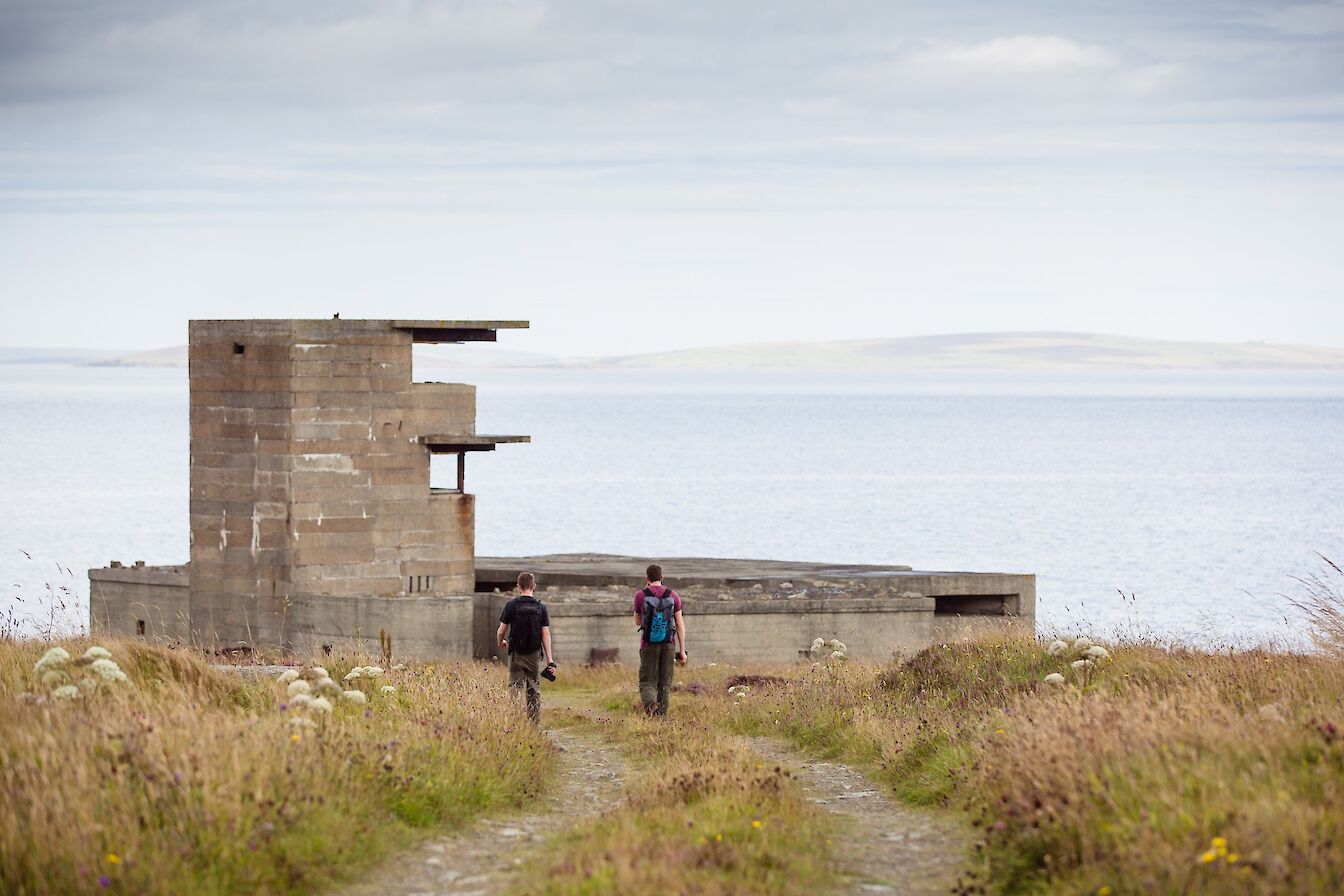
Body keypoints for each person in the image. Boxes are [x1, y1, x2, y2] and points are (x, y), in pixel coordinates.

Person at [497, 572, 554, 724]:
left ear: (518, 587)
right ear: (533, 586)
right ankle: (534, 724)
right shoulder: (541, 607)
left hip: (516, 654)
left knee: (515, 688)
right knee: (533, 689)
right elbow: (546, 634)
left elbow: (501, 630)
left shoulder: (511, 605)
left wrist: (501, 641)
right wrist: (550, 659)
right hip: (534, 655)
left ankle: (514, 723)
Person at [633, 563, 687, 716]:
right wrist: (682, 651)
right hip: (668, 644)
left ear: (647, 578)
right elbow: (680, 624)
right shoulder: (673, 595)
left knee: (647, 682)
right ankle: (660, 716)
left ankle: (651, 710)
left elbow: (637, 622)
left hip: (648, 644)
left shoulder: (641, 595)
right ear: (662, 577)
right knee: (664, 684)